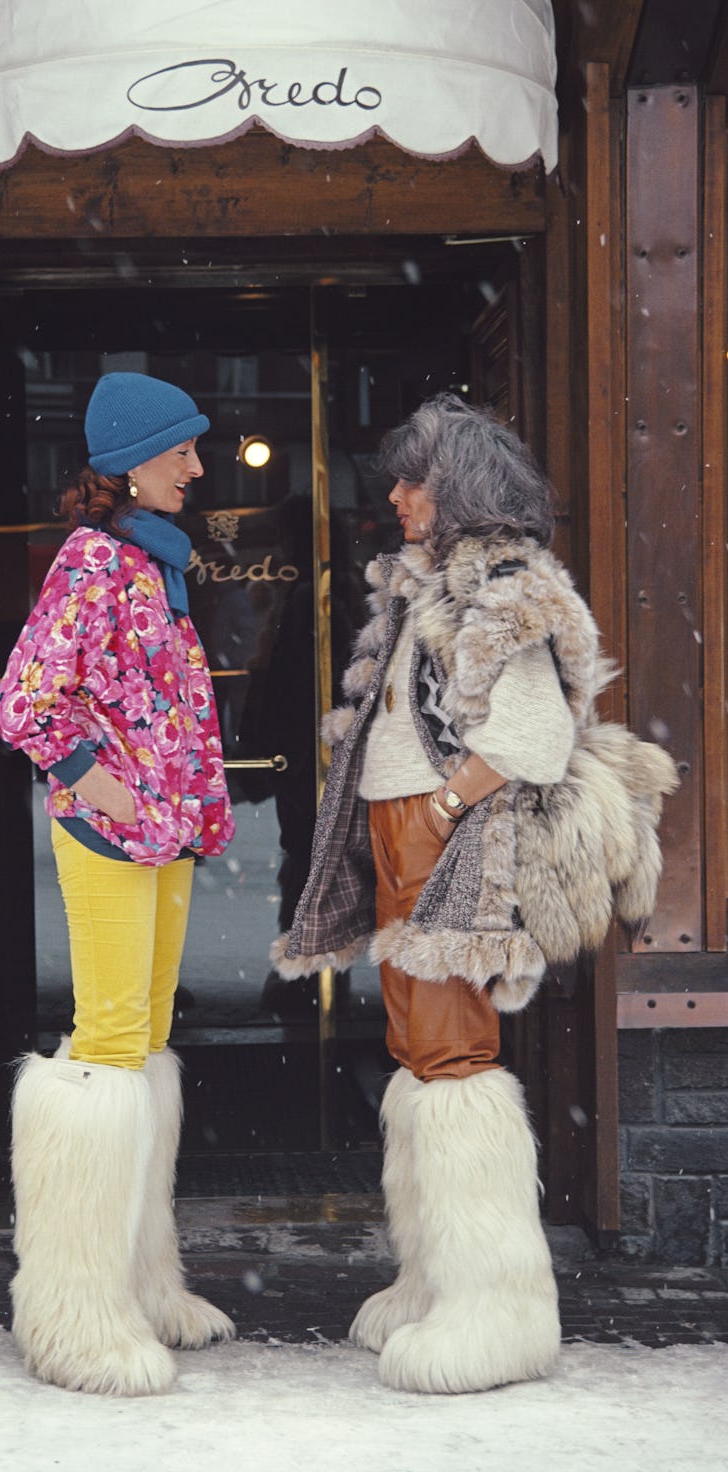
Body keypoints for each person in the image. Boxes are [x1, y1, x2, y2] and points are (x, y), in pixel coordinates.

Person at [272, 392, 677, 1395]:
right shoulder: (431, 587)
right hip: (406, 835)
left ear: (458, 488)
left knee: (454, 1055)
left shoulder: (502, 587)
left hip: (449, 841)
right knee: (421, 1054)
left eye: (415, 477)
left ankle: (494, 1309)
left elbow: (533, 737)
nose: (398, 494)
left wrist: (445, 805)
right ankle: (436, 1281)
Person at [0, 372, 236, 1396]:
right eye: (181, 449)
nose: (197, 464)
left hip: (162, 835)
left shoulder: (153, 562)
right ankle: (76, 1313)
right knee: (104, 1049)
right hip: (110, 833)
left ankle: (139, 1282)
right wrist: (100, 782)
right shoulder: (94, 562)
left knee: (138, 1043)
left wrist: (169, 802)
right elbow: (23, 701)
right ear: (133, 458)